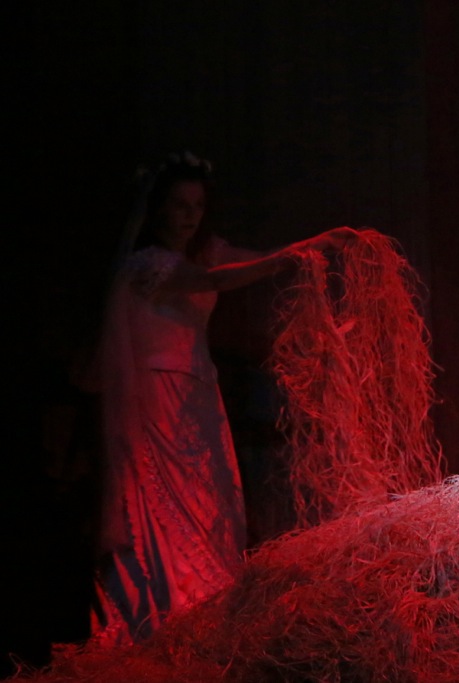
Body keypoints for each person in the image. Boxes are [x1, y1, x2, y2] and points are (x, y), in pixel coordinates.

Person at [86, 151, 357, 645]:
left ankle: (203, 608)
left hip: (197, 393)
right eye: (179, 205)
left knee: (209, 494)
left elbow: (245, 262)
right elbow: (215, 281)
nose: (189, 216)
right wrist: (298, 252)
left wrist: (311, 247)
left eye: (197, 206)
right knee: (160, 496)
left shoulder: (205, 253)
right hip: (158, 395)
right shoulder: (149, 265)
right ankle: (161, 614)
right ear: (159, 208)